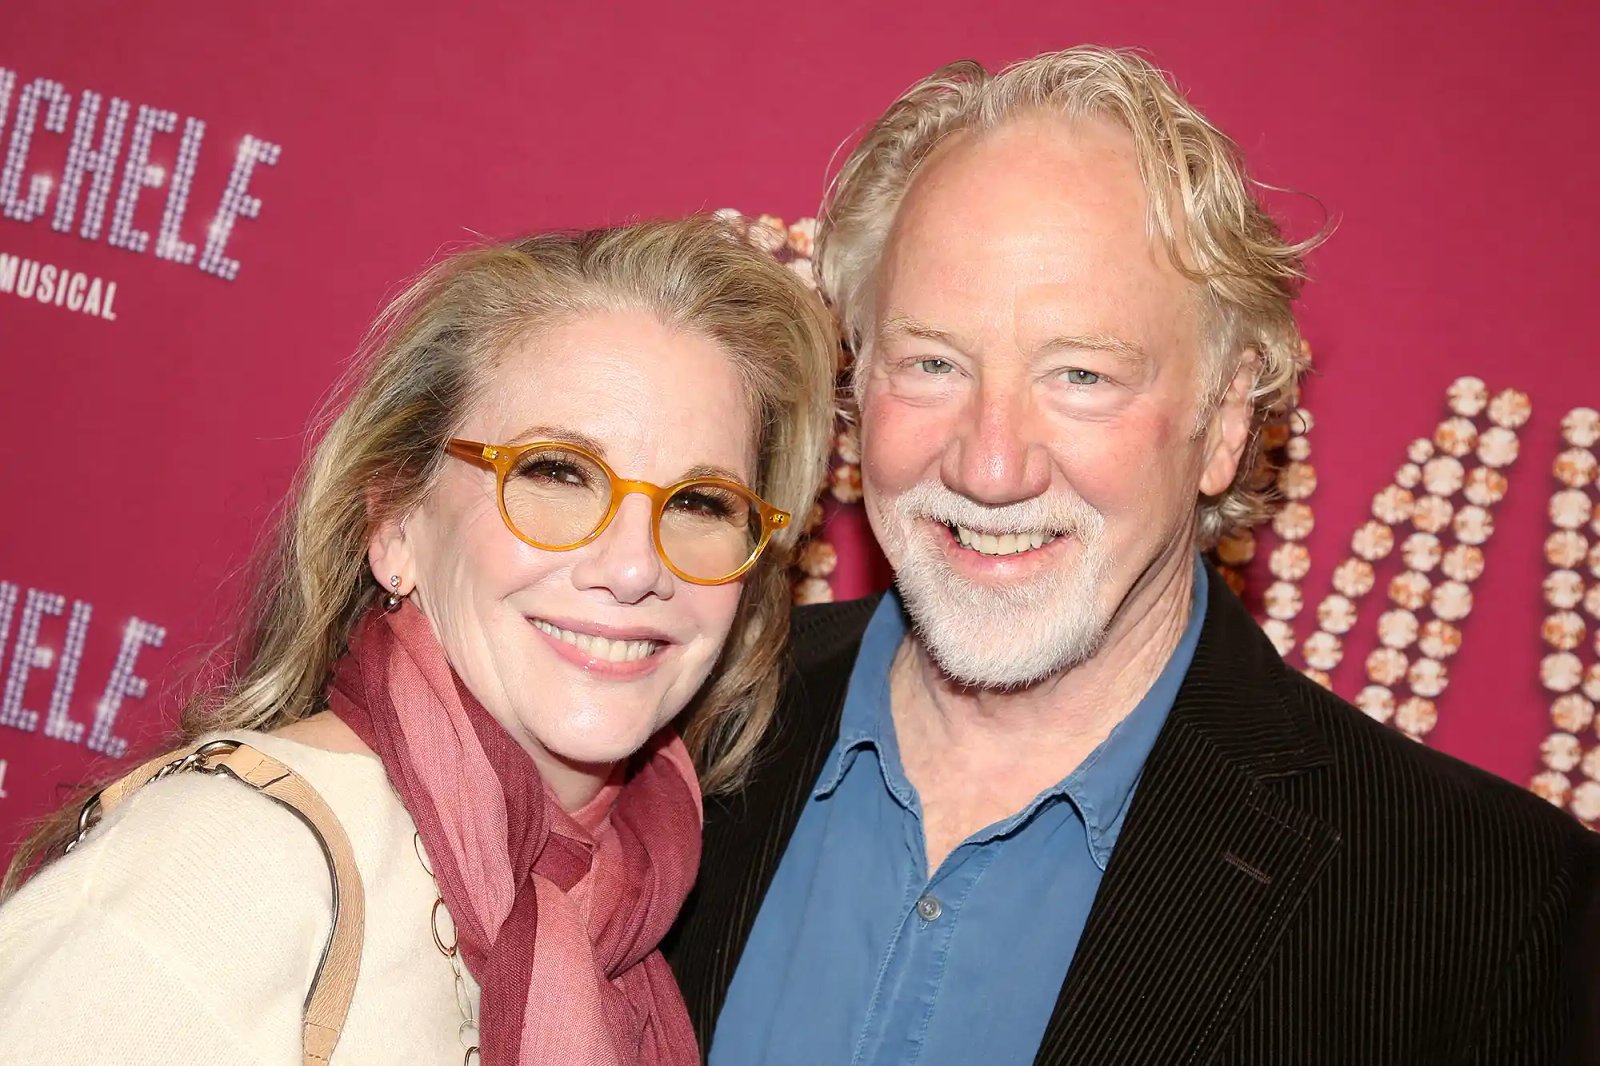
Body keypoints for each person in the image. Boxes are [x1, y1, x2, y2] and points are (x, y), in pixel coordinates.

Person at [665, 47, 1600, 1064]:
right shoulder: (667, 729)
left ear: (1226, 418)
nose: (990, 464)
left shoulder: (1494, 910)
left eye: (1079, 375)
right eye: (931, 363)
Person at [0, 216, 837, 1064]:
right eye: (554, 474)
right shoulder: (225, 866)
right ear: (395, 521)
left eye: (700, 504)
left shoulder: (633, 899)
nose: (633, 569)